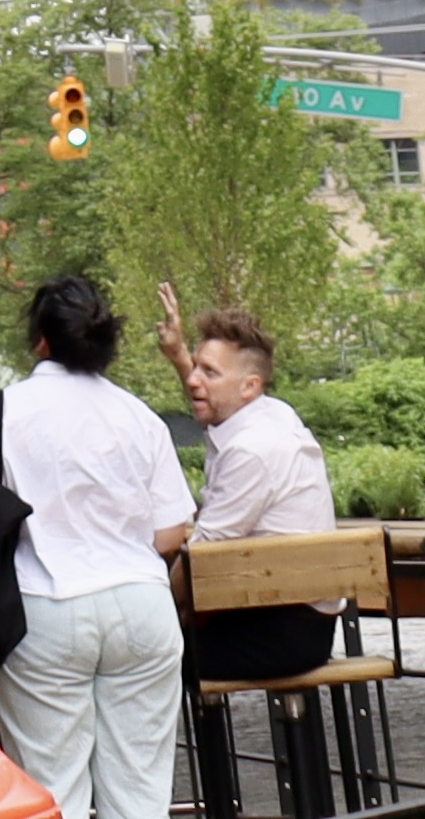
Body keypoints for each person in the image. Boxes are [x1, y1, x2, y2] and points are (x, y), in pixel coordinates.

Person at [0, 272, 191, 819]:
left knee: (53, 793)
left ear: (41, 340)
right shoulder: (139, 415)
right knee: (141, 796)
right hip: (143, 607)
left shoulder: (0, 410)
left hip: (43, 608)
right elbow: (171, 532)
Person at [155, 289, 340, 686]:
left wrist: (152, 613)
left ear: (250, 386)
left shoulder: (251, 451)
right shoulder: (273, 415)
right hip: (295, 619)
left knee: (132, 656)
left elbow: (201, 558)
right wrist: (179, 356)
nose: (194, 380)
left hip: (277, 632)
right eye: (196, 368)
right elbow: (214, 407)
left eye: (209, 372)